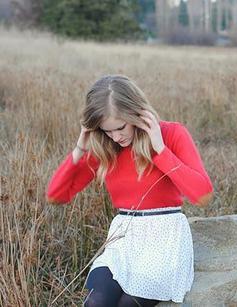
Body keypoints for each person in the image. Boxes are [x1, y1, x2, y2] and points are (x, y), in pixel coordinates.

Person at [46, 74, 214, 306]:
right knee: (98, 301)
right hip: (123, 240)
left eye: (120, 127)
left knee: (127, 305)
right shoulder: (106, 147)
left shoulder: (172, 134)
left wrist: (160, 150)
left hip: (164, 238)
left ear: (136, 114)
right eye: (107, 130)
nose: (116, 136)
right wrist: (79, 148)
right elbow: (56, 195)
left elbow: (202, 196)